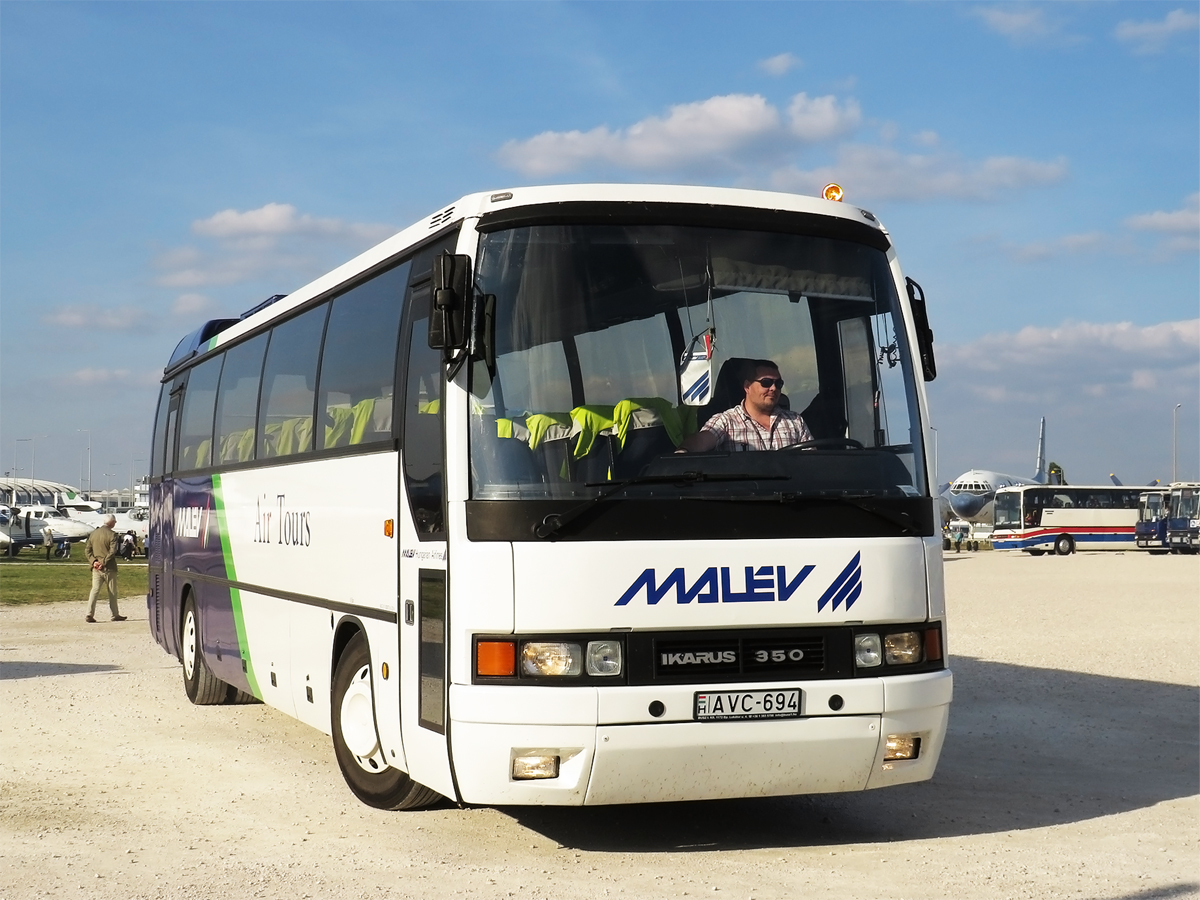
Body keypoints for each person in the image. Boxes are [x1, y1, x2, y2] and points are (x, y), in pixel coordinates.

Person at [677, 359, 812, 453]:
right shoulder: (726, 422)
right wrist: (684, 452)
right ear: (747, 386)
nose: (773, 388)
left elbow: (813, 462)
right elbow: (702, 439)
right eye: (766, 382)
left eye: (778, 384)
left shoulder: (795, 421)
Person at [84, 515, 126, 623]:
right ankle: (114, 614)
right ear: (111, 523)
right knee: (112, 591)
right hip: (109, 567)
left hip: (96, 568)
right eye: (115, 521)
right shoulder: (112, 535)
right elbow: (113, 551)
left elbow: (87, 551)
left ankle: (89, 613)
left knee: (94, 590)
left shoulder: (94, 534)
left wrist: (94, 562)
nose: (115, 523)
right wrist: (103, 562)